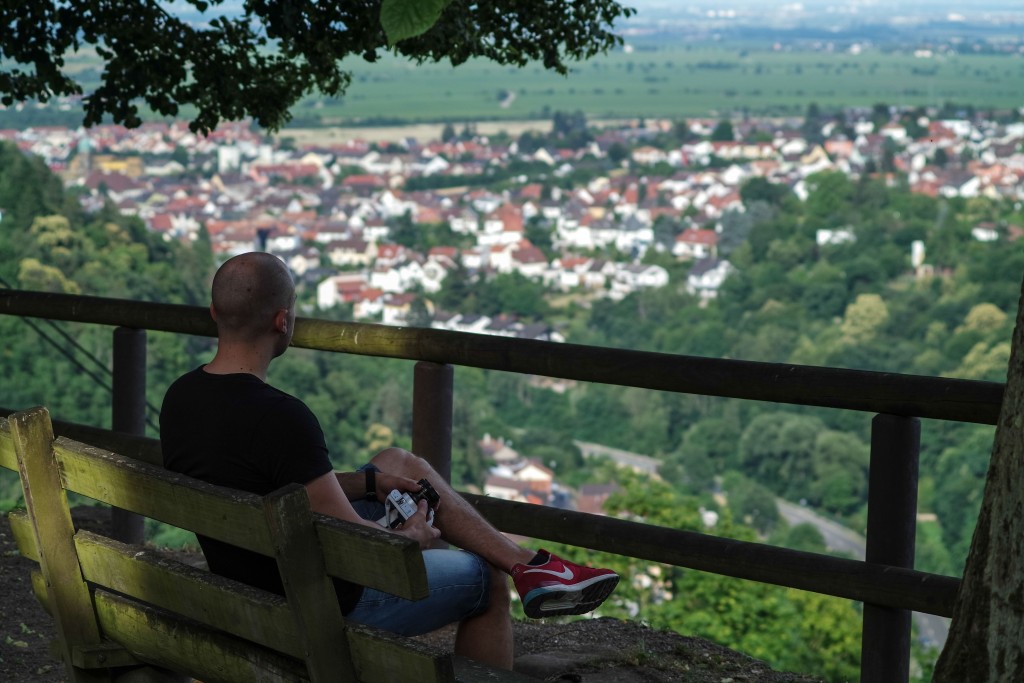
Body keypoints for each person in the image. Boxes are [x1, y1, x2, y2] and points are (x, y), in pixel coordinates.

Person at [159, 251, 619, 670]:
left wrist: (368, 485)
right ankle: (514, 570)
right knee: (484, 580)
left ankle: (529, 564)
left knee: (398, 462)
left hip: (248, 579)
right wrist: (411, 538)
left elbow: (270, 484)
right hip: (312, 604)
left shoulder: (180, 398)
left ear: (216, 313)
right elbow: (358, 540)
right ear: (283, 320)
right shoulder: (283, 418)